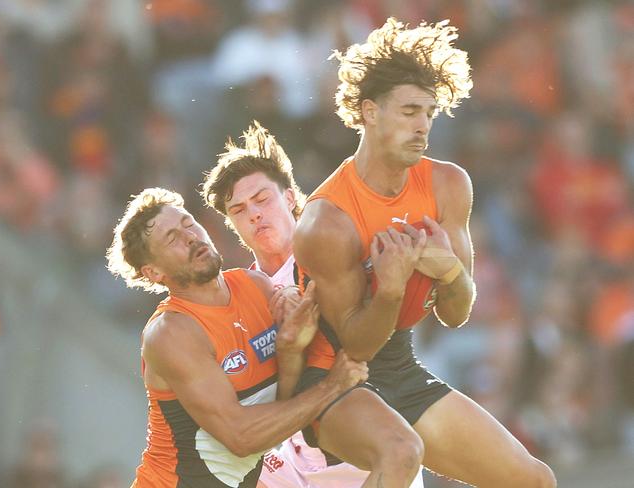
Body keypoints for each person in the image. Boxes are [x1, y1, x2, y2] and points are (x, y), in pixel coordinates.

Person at [290, 18, 558, 487]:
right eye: (410, 111)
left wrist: (452, 274)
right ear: (369, 112)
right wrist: (390, 289)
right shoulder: (326, 220)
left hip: (399, 364)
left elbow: (456, 314)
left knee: (534, 480)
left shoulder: (449, 184)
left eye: (430, 113)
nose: (423, 126)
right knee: (400, 453)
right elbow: (355, 345)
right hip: (330, 377)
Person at [202, 122, 424, 487]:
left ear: (289, 197)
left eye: (262, 199)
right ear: (231, 225)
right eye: (239, 210)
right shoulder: (236, 297)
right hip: (286, 463)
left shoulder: (335, 252)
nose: (255, 214)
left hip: (362, 446)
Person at [105, 187, 367, 488]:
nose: (190, 236)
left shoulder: (256, 286)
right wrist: (332, 386)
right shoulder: (171, 332)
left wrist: (291, 348)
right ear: (153, 272)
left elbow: (283, 404)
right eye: (172, 238)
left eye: (188, 224)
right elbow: (242, 438)